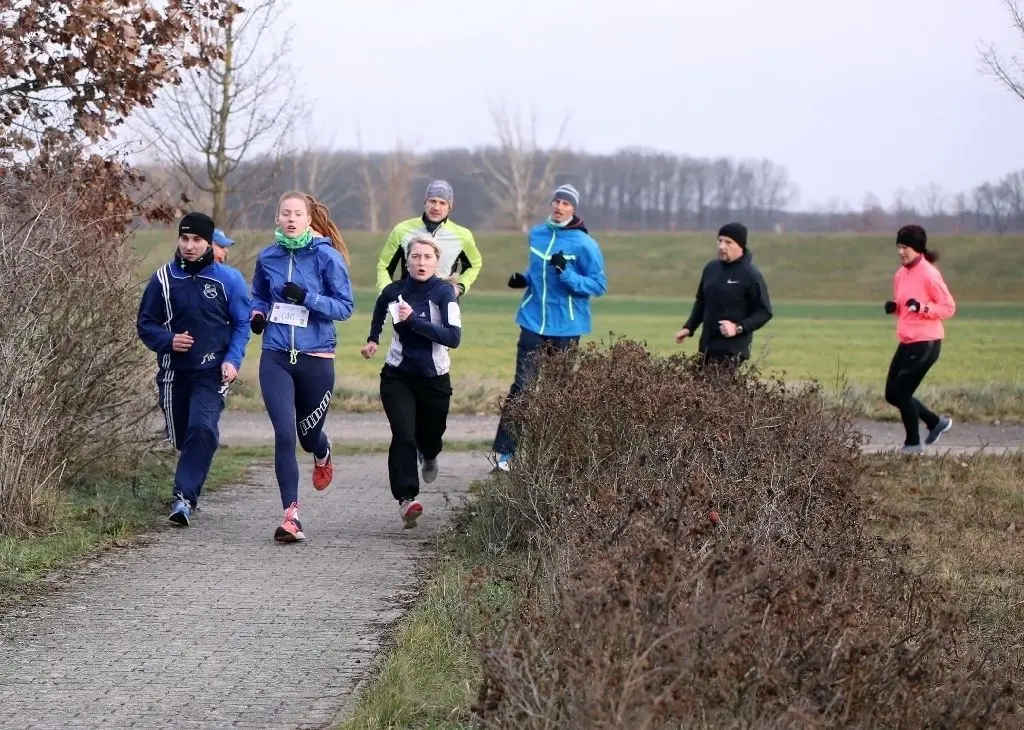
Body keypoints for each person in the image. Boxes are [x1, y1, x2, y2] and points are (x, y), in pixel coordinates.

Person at [249, 192, 354, 542]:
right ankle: (291, 517)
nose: (291, 219)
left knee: (308, 439)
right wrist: (259, 314)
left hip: (316, 357)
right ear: (277, 219)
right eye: (285, 213)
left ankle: (322, 453)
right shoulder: (268, 257)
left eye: (298, 214)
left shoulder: (327, 257)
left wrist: (306, 298)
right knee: (284, 433)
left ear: (309, 219)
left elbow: (344, 307)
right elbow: (259, 296)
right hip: (276, 354)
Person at [136, 212, 251, 526]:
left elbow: (242, 324)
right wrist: (168, 340)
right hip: (173, 373)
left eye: (197, 240)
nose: (189, 245)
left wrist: (232, 360)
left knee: (201, 429)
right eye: (184, 239)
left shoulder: (229, 280)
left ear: (209, 243)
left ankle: (183, 499)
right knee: (183, 437)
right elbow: (145, 325)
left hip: (211, 371)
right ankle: (198, 453)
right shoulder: (163, 279)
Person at [491, 183, 607, 472]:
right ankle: (506, 456)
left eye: (565, 203)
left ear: (573, 208)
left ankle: (556, 456)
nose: (559, 206)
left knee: (559, 391)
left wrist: (566, 273)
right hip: (532, 320)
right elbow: (537, 273)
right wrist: (525, 279)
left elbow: (598, 285)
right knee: (522, 388)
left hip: (566, 327)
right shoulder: (538, 235)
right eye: (556, 201)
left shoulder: (584, 244)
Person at [361, 235, 462, 528]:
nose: (421, 262)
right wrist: (372, 339)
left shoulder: (445, 294)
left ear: (436, 262)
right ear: (407, 261)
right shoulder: (395, 291)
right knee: (404, 433)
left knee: (430, 436)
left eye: (427, 257)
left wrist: (413, 322)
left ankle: (429, 454)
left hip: (434, 379)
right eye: (416, 257)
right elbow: (381, 307)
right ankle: (407, 499)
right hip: (398, 376)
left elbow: (453, 338)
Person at [883, 224, 956, 455]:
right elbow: (907, 306)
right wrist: (895, 307)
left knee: (902, 393)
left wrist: (923, 307)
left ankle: (913, 444)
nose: (901, 252)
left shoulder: (929, 274)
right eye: (899, 247)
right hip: (907, 340)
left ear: (918, 248)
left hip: (926, 342)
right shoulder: (900, 274)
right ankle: (935, 422)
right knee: (891, 394)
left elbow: (948, 307)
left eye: (905, 247)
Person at [674, 222, 773, 371]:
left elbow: (764, 312)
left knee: (715, 391)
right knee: (694, 389)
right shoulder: (711, 268)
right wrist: (689, 327)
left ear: (740, 246)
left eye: (728, 242)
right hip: (706, 347)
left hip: (731, 352)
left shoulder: (751, 275)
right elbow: (702, 301)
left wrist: (738, 328)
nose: (721, 246)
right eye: (720, 241)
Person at [375, 180, 483, 299]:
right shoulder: (401, 230)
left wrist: (460, 287)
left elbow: (475, 264)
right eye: (432, 201)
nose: (436, 207)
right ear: (425, 202)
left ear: (449, 207)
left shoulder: (463, 235)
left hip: (444, 303)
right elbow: (384, 266)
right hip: (408, 302)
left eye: (442, 203)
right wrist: (387, 292)